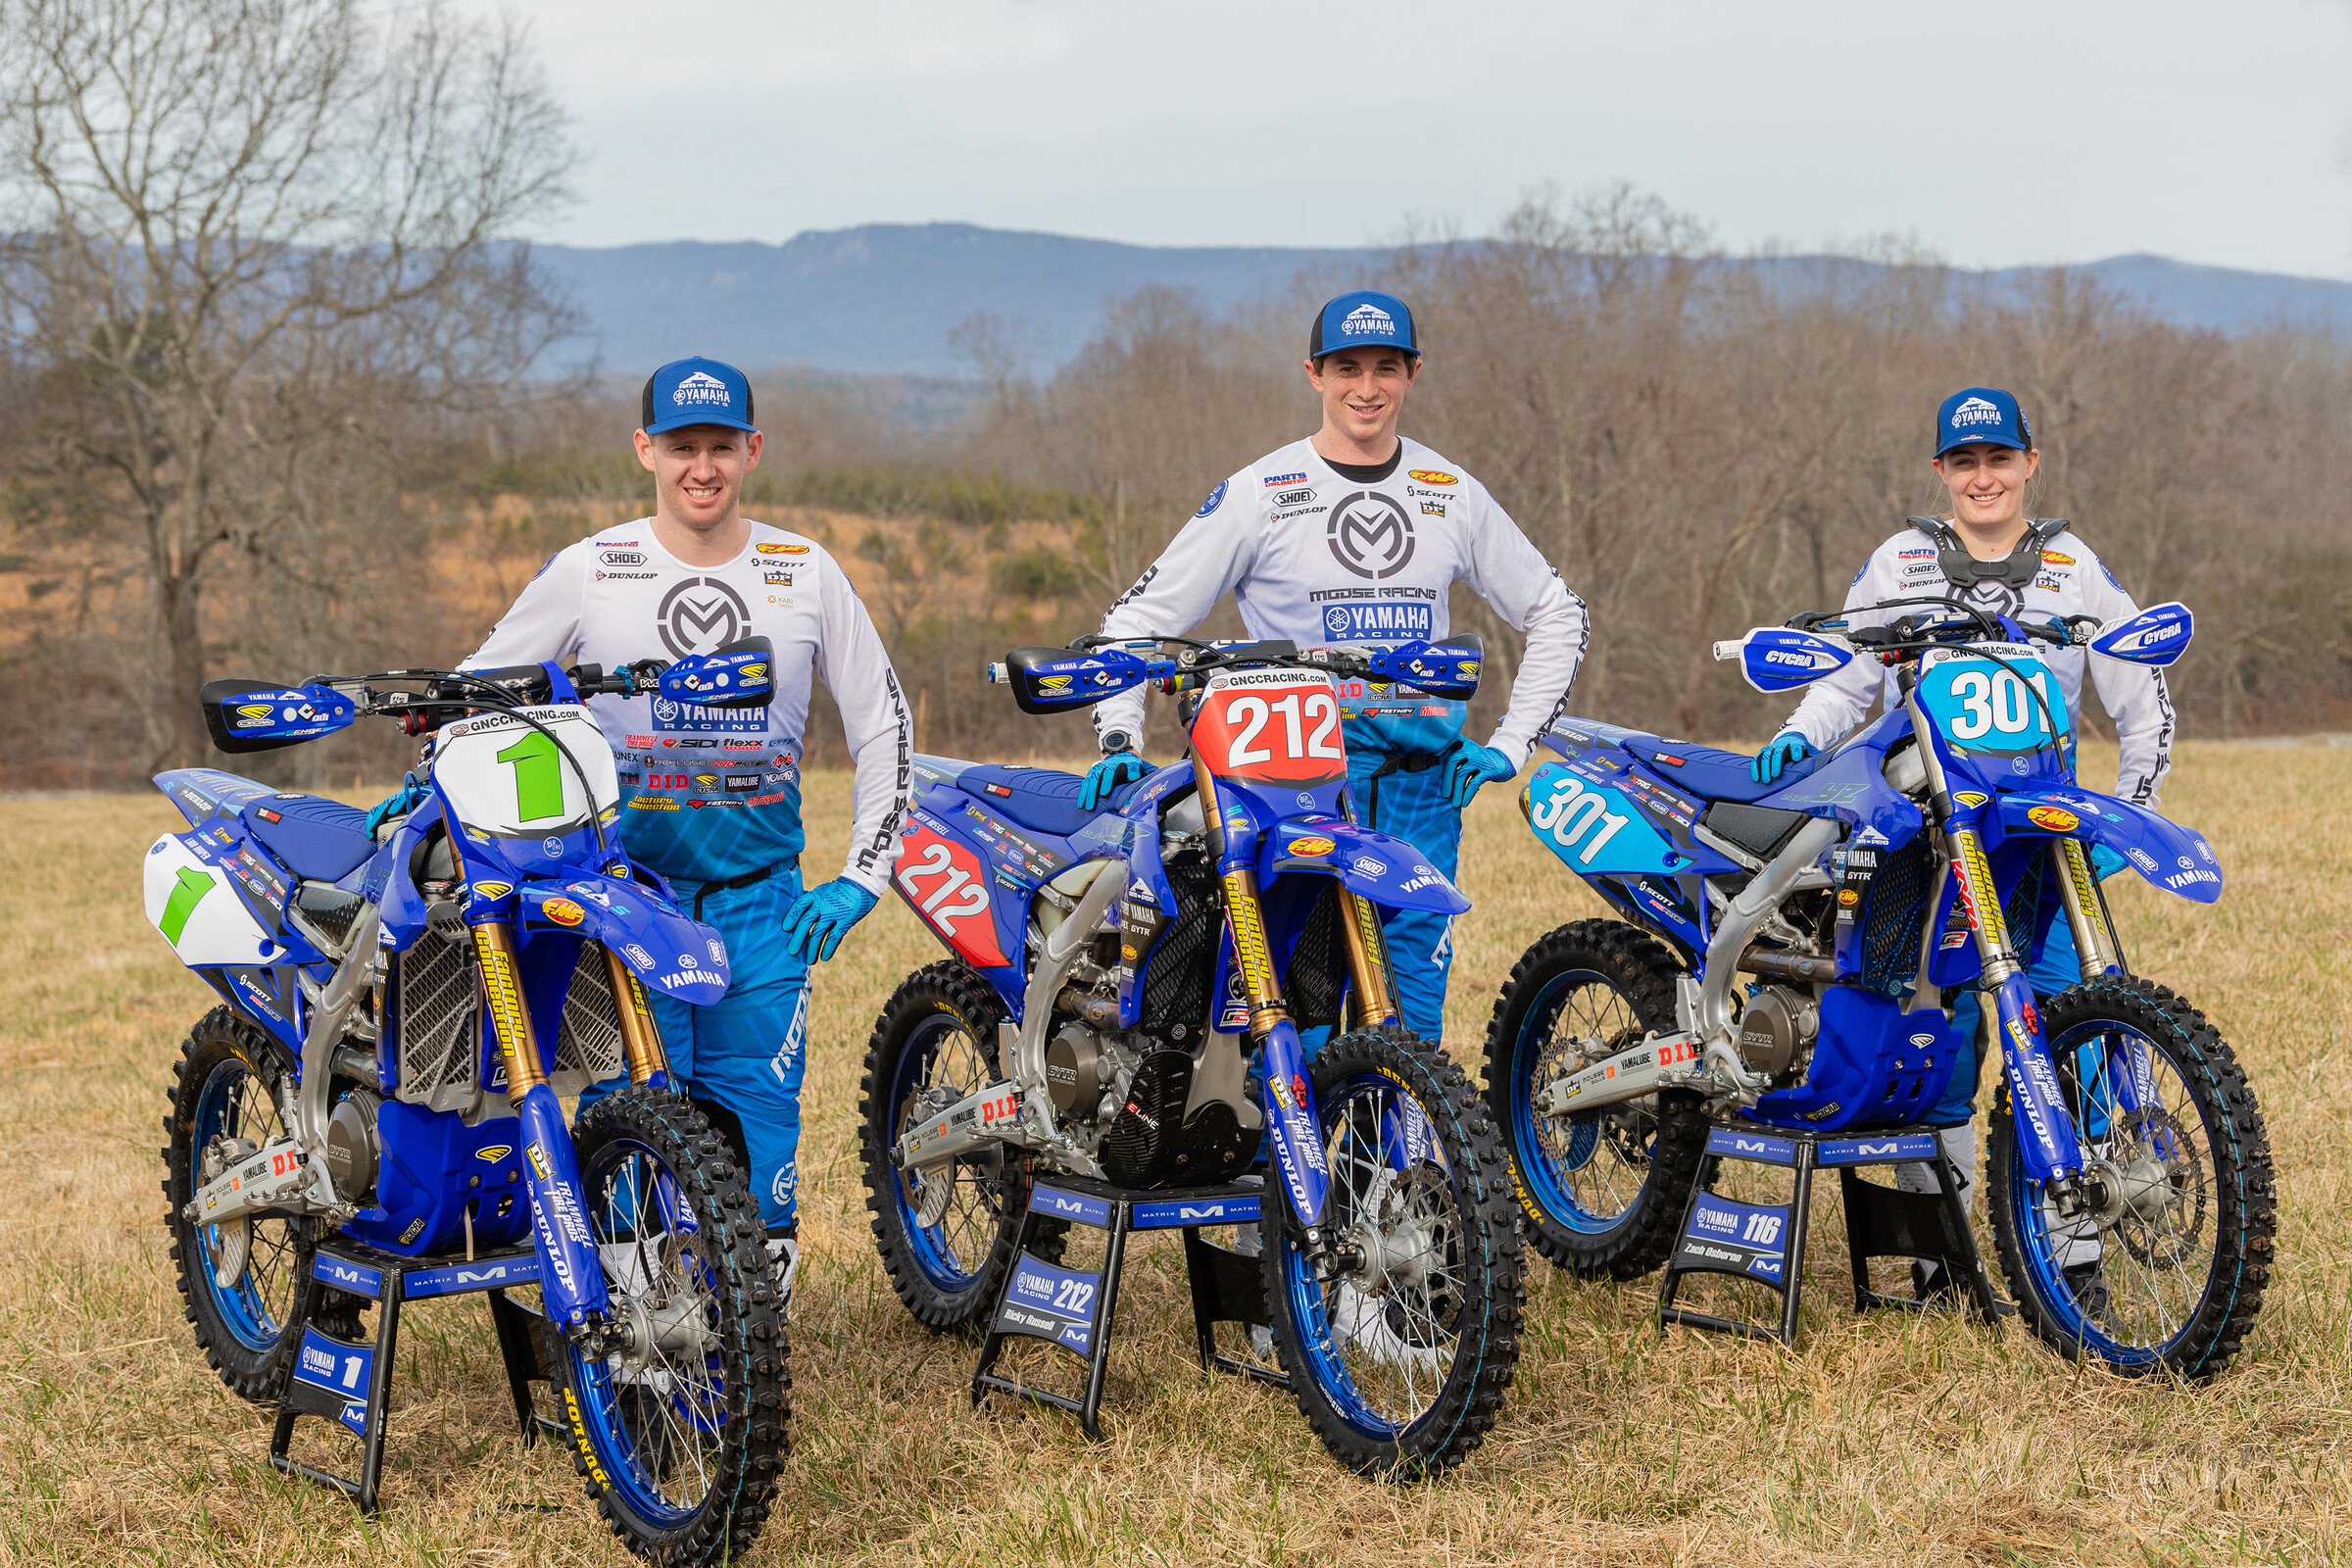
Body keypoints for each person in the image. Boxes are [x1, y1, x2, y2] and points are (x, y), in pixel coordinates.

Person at [462, 356, 912, 1309]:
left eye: (718, 446)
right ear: (645, 451)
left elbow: (885, 723)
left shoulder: (803, 569)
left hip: (766, 908)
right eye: (679, 447)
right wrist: (427, 777)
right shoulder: (592, 568)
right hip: (631, 902)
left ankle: (742, 1338)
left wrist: (861, 878)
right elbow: (479, 692)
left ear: (752, 449)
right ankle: (629, 1339)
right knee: (633, 1121)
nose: (699, 466)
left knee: (758, 1126)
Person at [1751, 385, 2175, 1301]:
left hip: (2039, 841)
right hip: (1925, 838)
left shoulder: (2072, 565)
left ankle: (2075, 1259)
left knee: (2079, 1032)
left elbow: (2143, 703)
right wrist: (1802, 734)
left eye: (1999, 459)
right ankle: (1942, 1254)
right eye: (1964, 461)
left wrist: (2126, 817)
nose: (1983, 477)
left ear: (2031, 463)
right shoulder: (1902, 558)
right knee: (1935, 1042)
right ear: (1941, 471)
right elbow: (1847, 678)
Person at [1083, 291, 1590, 1045]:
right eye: (1347, 367)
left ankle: (1403, 1159)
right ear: (1314, 374)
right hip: (1294, 775)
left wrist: (1511, 745)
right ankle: (1287, 1159)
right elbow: (1135, 622)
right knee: (1302, 982)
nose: (1367, 387)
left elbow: (1560, 612)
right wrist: (1120, 738)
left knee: (1412, 983)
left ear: (1413, 374)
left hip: (1423, 781)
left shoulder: (1449, 492)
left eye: (1386, 367)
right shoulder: (1260, 493)